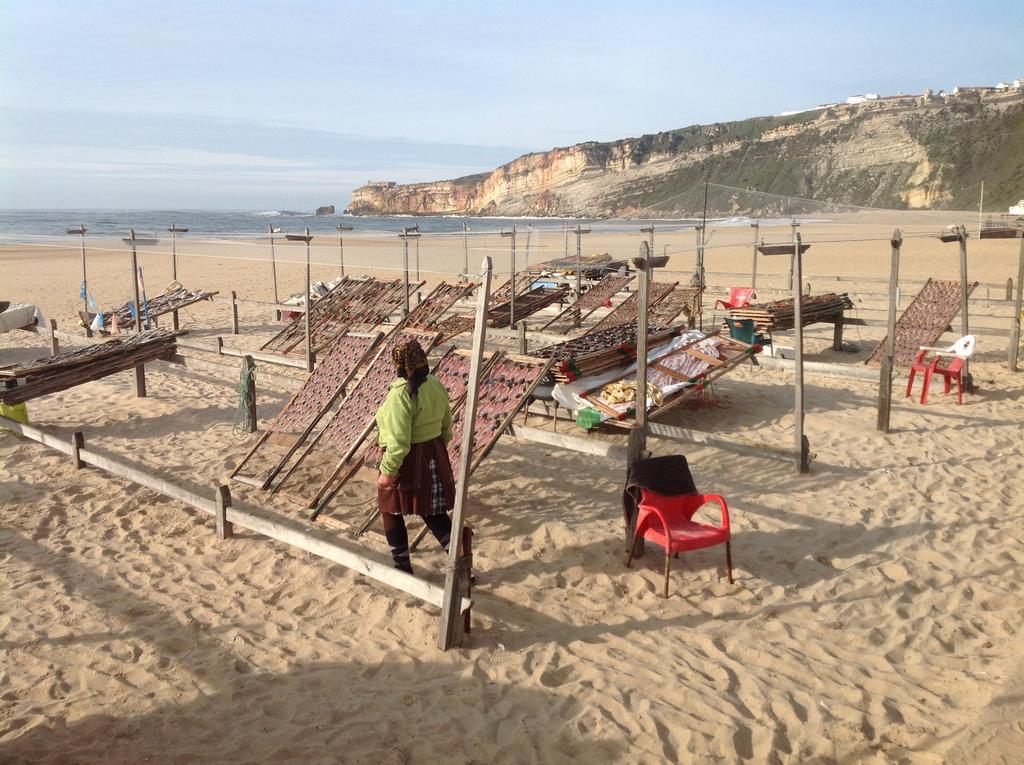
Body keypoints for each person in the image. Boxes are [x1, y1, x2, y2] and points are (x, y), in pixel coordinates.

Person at [375, 339, 456, 574]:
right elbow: (446, 427)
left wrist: (388, 472)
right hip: (433, 452)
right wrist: (435, 452)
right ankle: (460, 563)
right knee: (433, 514)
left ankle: (402, 566)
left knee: (389, 507)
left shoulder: (400, 394)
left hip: (409, 459)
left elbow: (399, 441)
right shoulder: (435, 384)